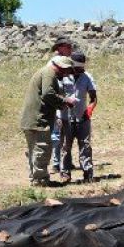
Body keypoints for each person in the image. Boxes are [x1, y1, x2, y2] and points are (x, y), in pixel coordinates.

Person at [20, 55, 77, 186]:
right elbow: (47, 94)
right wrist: (65, 101)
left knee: (34, 150)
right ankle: (40, 181)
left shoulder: (46, 72)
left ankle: (36, 179)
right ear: (61, 67)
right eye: (66, 71)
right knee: (42, 149)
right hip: (38, 120)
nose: (65, 75)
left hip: (32, 119)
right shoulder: (49, 73)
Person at [57, 51, 98, 183]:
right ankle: (65, 174)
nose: (81, 70)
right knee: (65, 146)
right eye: (78, 68)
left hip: (82, 118)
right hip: (65, 118)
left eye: (82, 67)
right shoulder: (62, 77)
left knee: (85, 146)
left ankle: (87, 173)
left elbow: (93, 98)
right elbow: (55, 95)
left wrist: (90, 109)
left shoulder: (87, 77)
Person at [50, 37, 73, 173]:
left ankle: (65, 162)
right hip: (59, 105)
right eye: (67, 46)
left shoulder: (68, 62)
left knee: (66, 136)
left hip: (68, 106)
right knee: (57, 135)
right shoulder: (54, 63)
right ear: (60, 47)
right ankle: (56, 163)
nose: (70, 48)